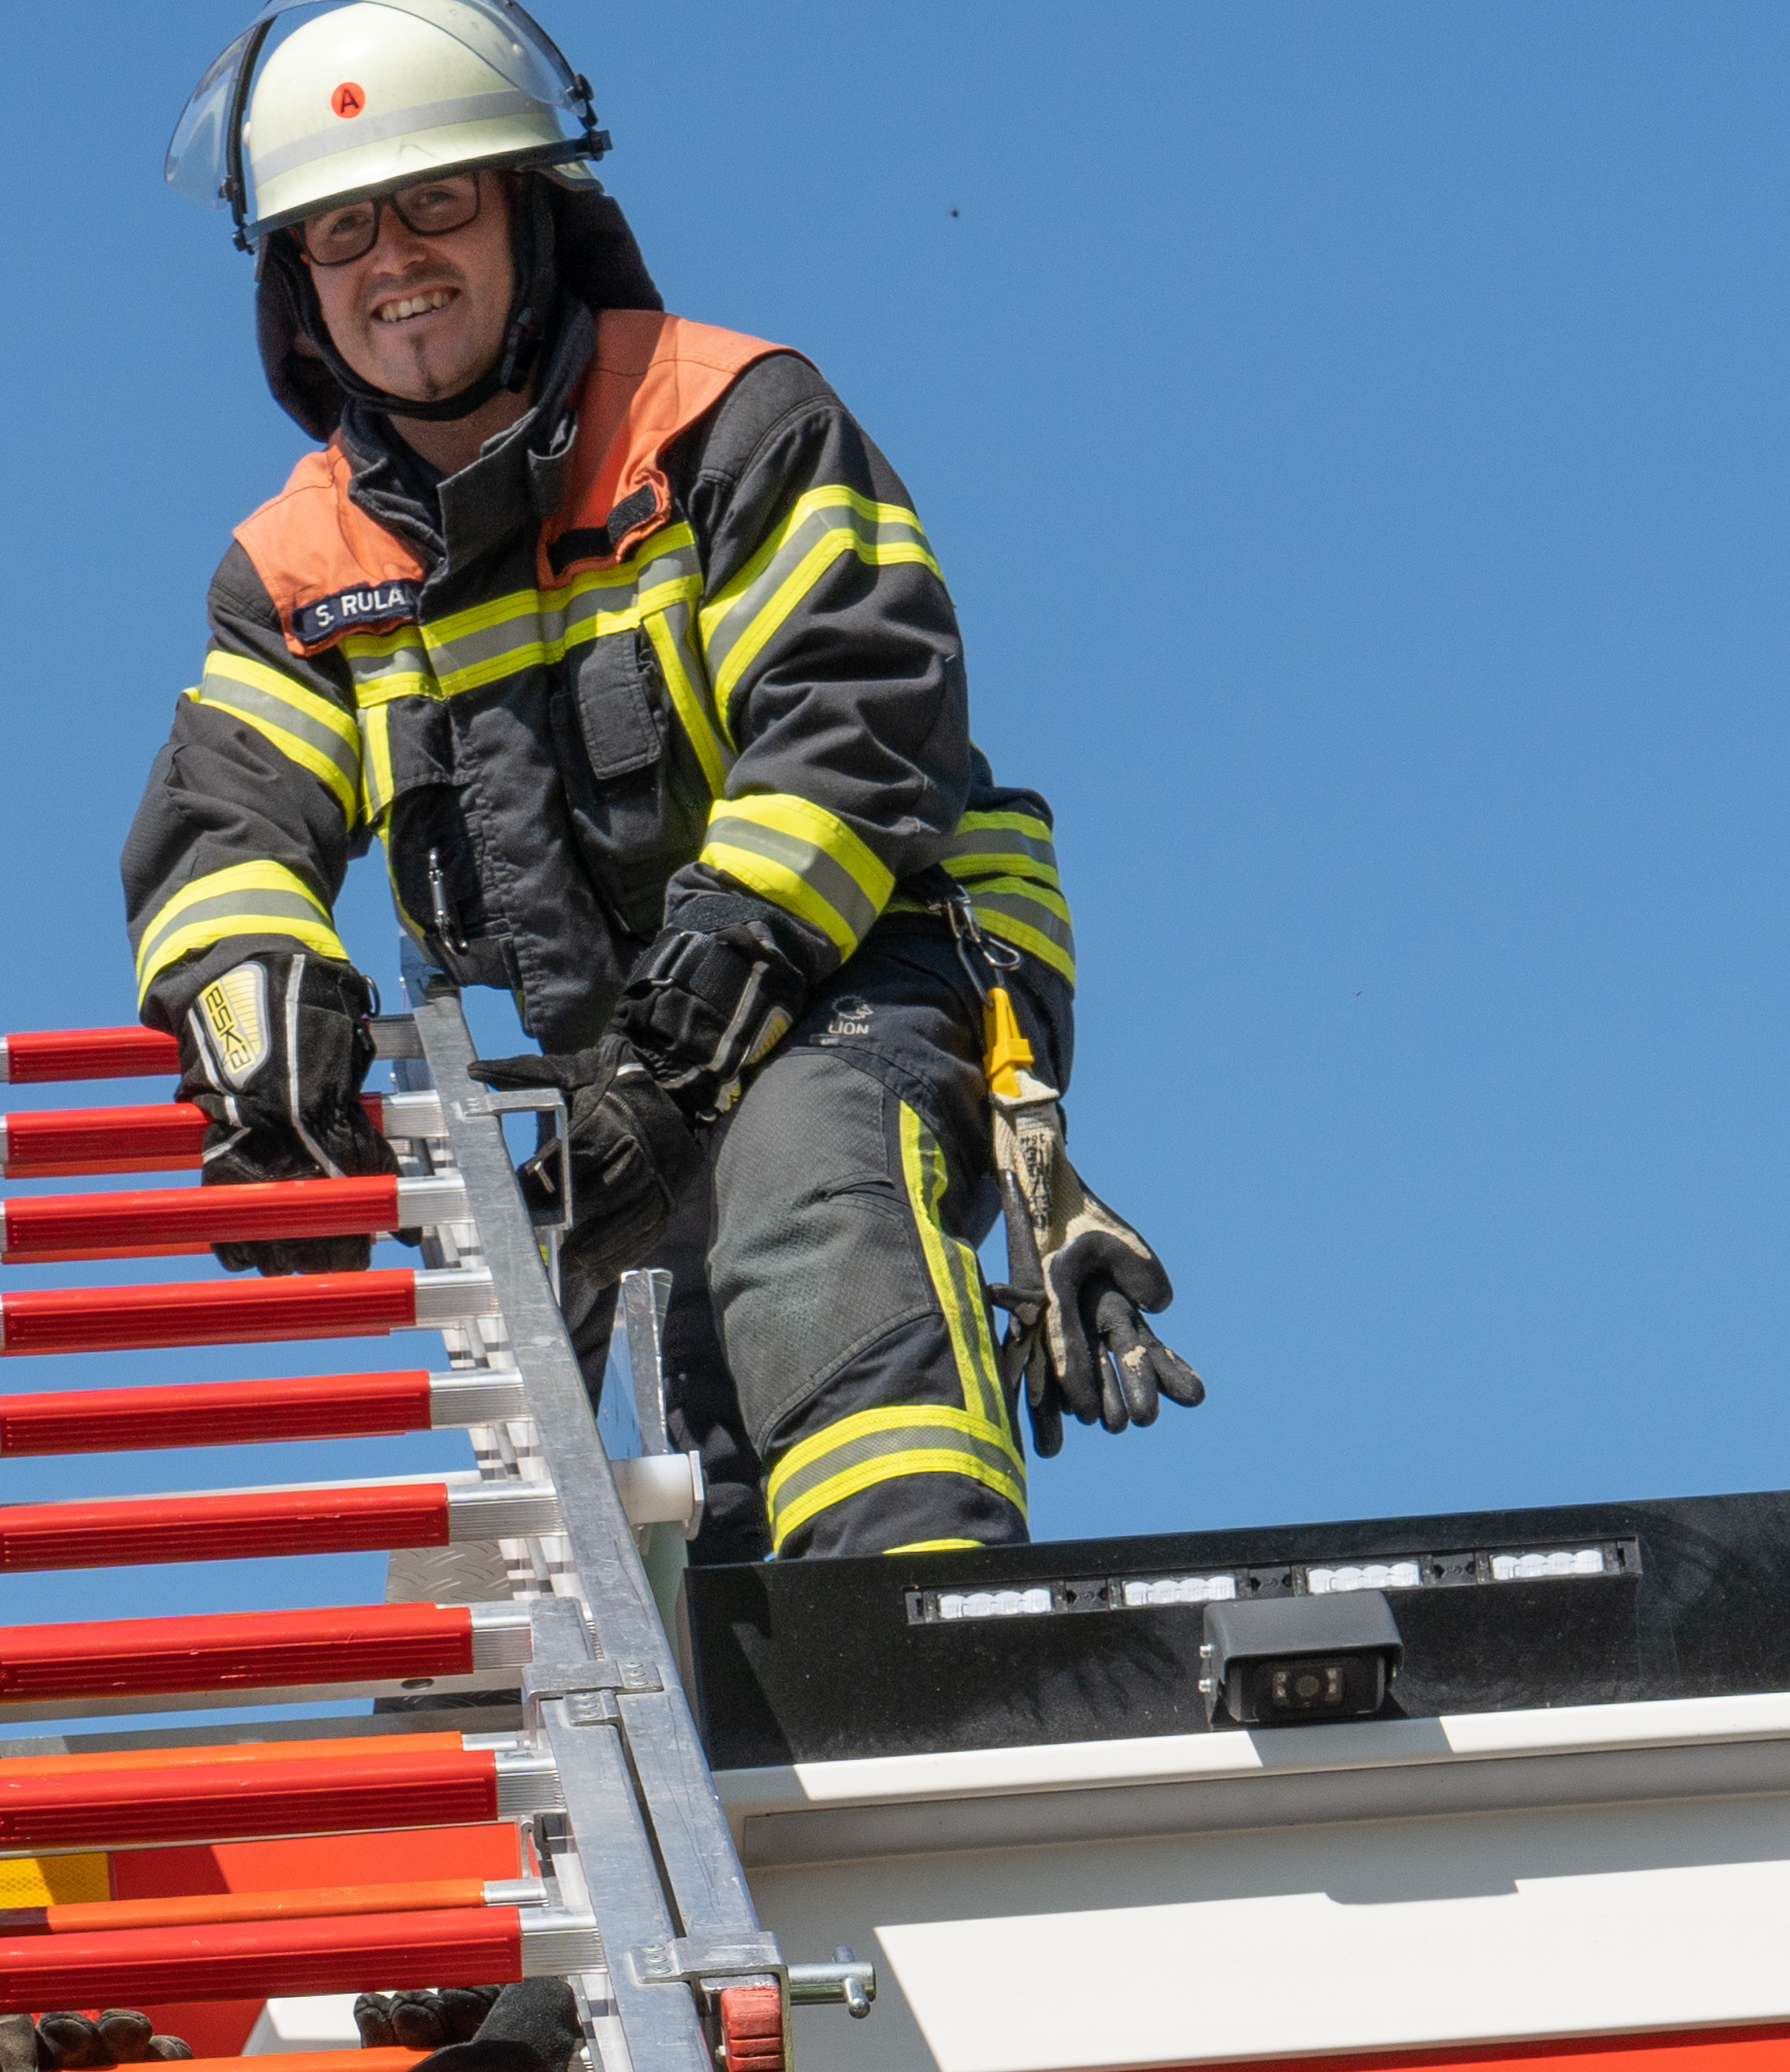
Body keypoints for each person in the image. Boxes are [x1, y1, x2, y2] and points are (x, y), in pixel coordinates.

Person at [124, 0, 1180, 1561]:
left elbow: (857, 719)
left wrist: (687, 1045)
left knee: (809, 1191)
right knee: (687, 1376)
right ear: (294, 285)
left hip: (872, 948)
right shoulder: (300, 569)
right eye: (341, 230)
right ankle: (758, 1679)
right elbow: (226, 822)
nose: (393, 258)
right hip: (633, 1048)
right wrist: (252, 998)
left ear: (533, 213)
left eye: (434, 202)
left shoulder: (729, 421)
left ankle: (920, 1617)